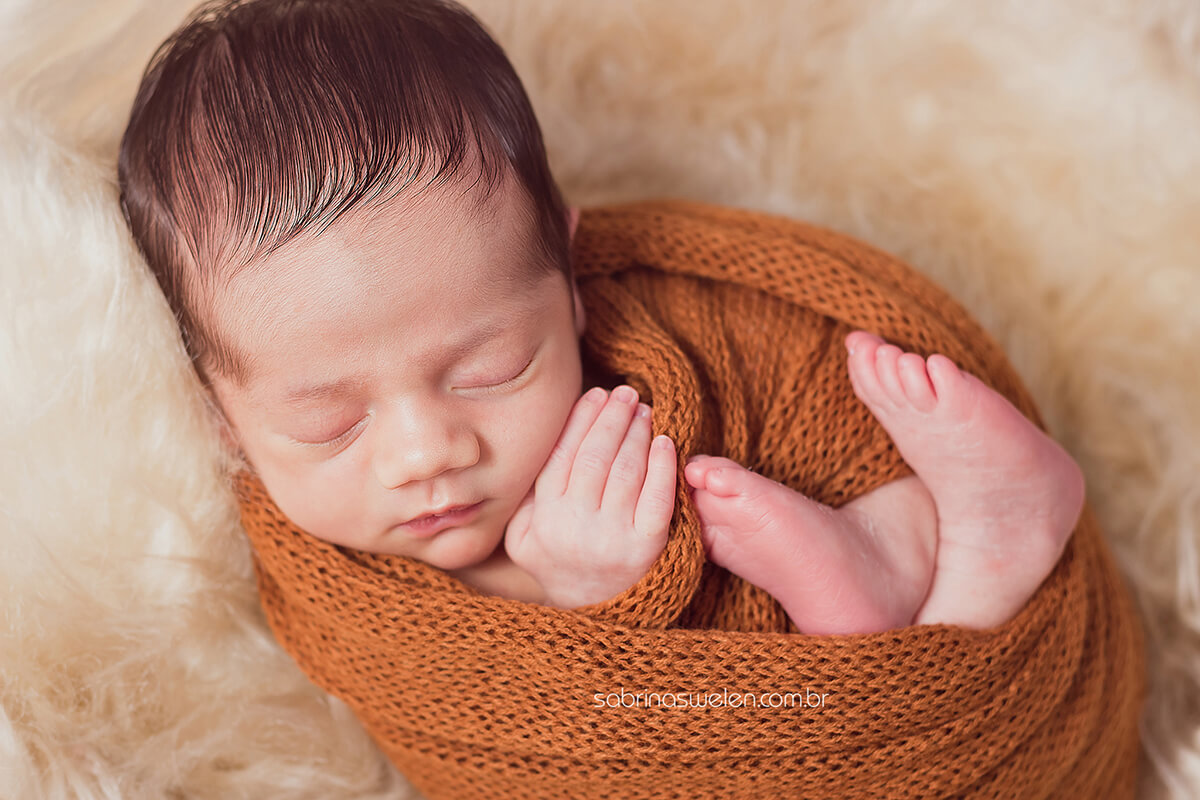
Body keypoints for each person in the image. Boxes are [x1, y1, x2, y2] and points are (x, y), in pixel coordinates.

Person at [117, 0, 1085, 635]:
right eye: (329, 422)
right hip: (766, 727)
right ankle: (973, 575)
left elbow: (794, 387)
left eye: (491, 366)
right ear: (221, 416)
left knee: (862, 457)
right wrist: (590, 594)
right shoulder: (323, 592)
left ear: (570, 276)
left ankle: (919, 535)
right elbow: (570, 712)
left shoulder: (651, 350)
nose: (425, 452)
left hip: (835, 588)